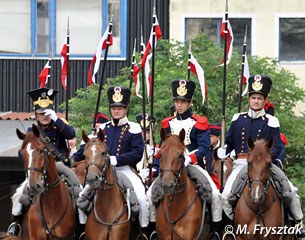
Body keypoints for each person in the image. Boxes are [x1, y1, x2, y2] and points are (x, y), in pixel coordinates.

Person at [219, 75, 305, 238]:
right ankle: (230, 227)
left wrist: (273, 160)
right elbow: (229, 141)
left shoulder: (271, 121)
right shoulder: (238, 119)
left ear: (264, 100)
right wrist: (223, 150)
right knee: (226, 196)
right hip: (241, 164)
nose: (256, 101)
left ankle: (297, 223)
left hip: (265, 165)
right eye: (253, 98)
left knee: (291, 191)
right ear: (249, 99)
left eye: (259, 98)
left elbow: (278, 145)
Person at [148, 79, 223, 240]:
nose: (179, 105)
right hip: (170, 165)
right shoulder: (167, 123)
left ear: (190, 103)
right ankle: (153, 230)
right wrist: (155, 166)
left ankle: (216, 231)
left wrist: (190, 157)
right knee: (149, 195)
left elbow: (204, 147)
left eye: (183, 102)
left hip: (193, 165)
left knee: (215, 195)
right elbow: (162, 149)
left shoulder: (199, 123)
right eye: (177, 101)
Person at [76, 86, 150, 237]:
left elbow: (137, 153)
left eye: (120, 108)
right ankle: (82, 231)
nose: (116, 111)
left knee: (142, 198)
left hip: (125, 170)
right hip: (104, 172)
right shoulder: (103, 128)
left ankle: (144, 232)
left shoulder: (134, 128)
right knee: (82, 198)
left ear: (126, 108)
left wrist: (117, 159)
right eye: (114, 108)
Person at [7, 87, 77, 237]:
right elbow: (23, 154)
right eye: (41, 113)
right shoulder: (31, 133)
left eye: (47, 113)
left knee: (79, 190)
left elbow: (71, 134)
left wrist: (56, 119)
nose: (44, 116)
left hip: (60, 166)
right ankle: (15, 224)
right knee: (19, 193)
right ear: (36, 115)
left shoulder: (58, 127)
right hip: (38, 168)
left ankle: (82, 226)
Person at [135, 113, 160, 183]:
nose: (144, 135)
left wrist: (150, 173)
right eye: (142, 132)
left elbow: (158, 167)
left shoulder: (156, 149)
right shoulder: (132, 147)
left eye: (147, 132)